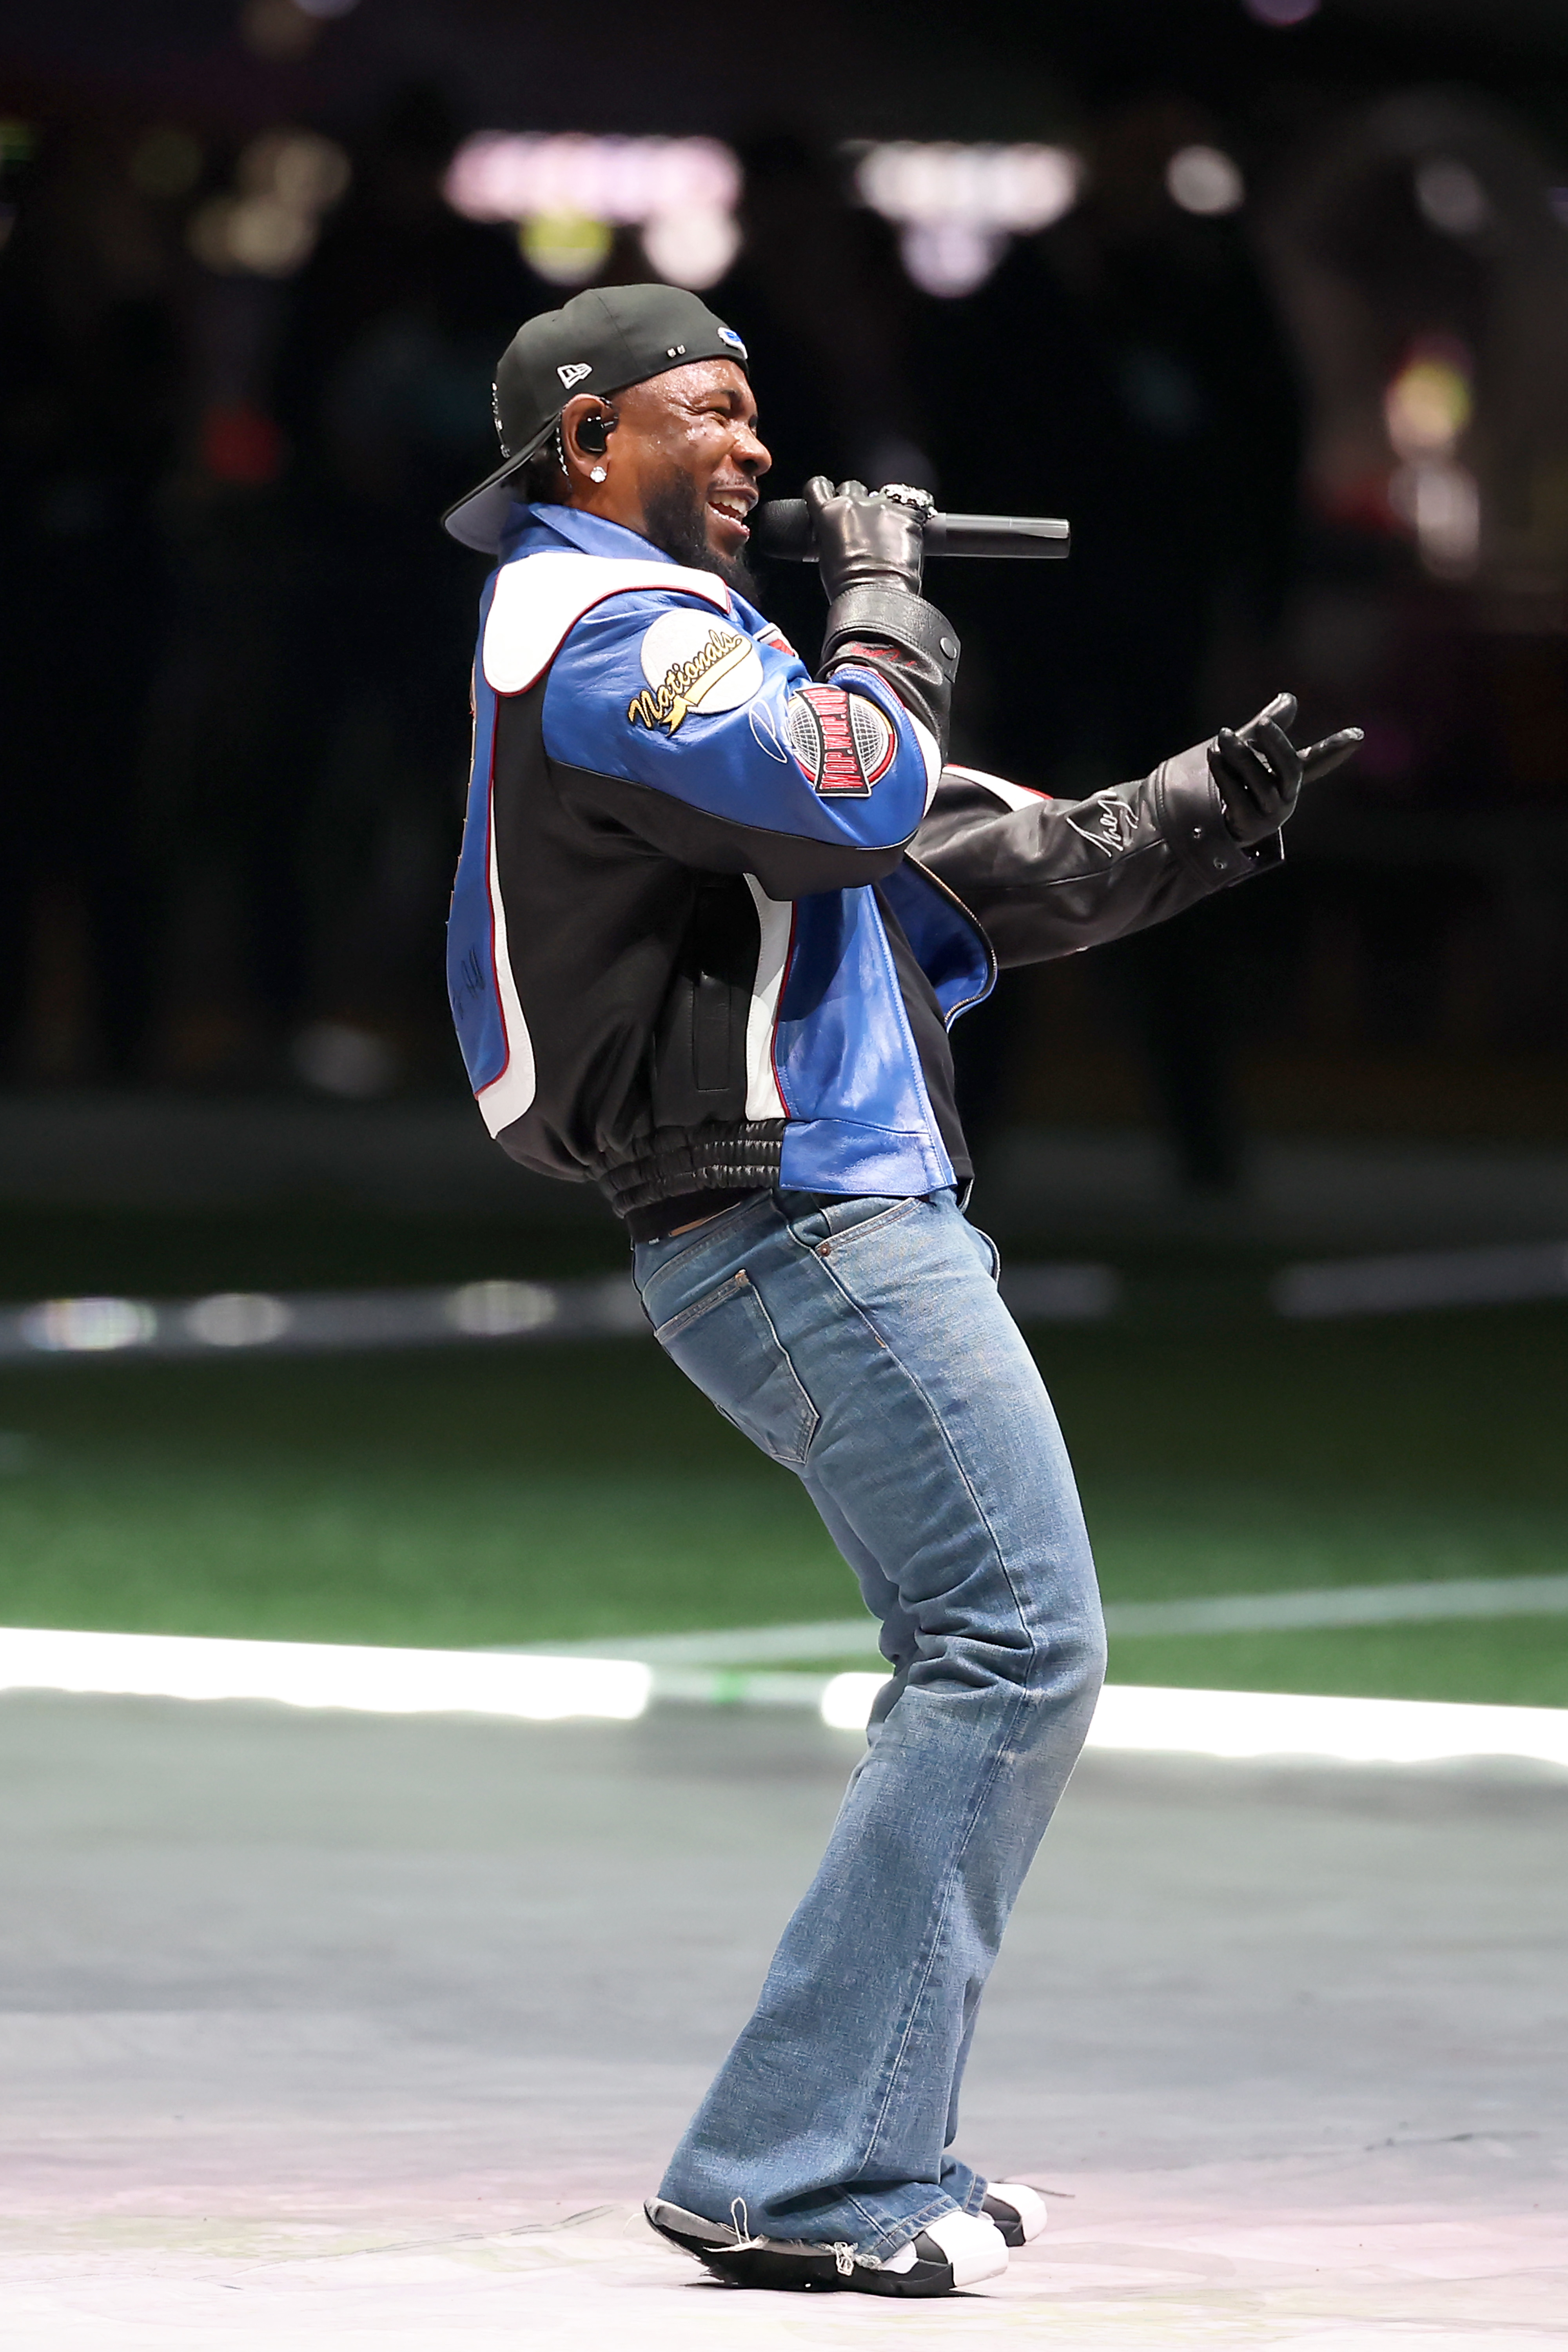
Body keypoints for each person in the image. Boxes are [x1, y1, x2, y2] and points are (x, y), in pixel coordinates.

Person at [441, 283, 1360, 2300]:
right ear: (587, 444)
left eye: (768, 418)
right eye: (714, 413)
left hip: (838, 1209)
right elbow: (856, 781)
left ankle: (858, 2145)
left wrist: (1189, 816)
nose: (760, 450)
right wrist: (888, 599)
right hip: (800, 1220)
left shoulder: (690, 647)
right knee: (1011, 1648)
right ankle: (800, 2164)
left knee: (995, 1650)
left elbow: (944, 861)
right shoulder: (596, 635)